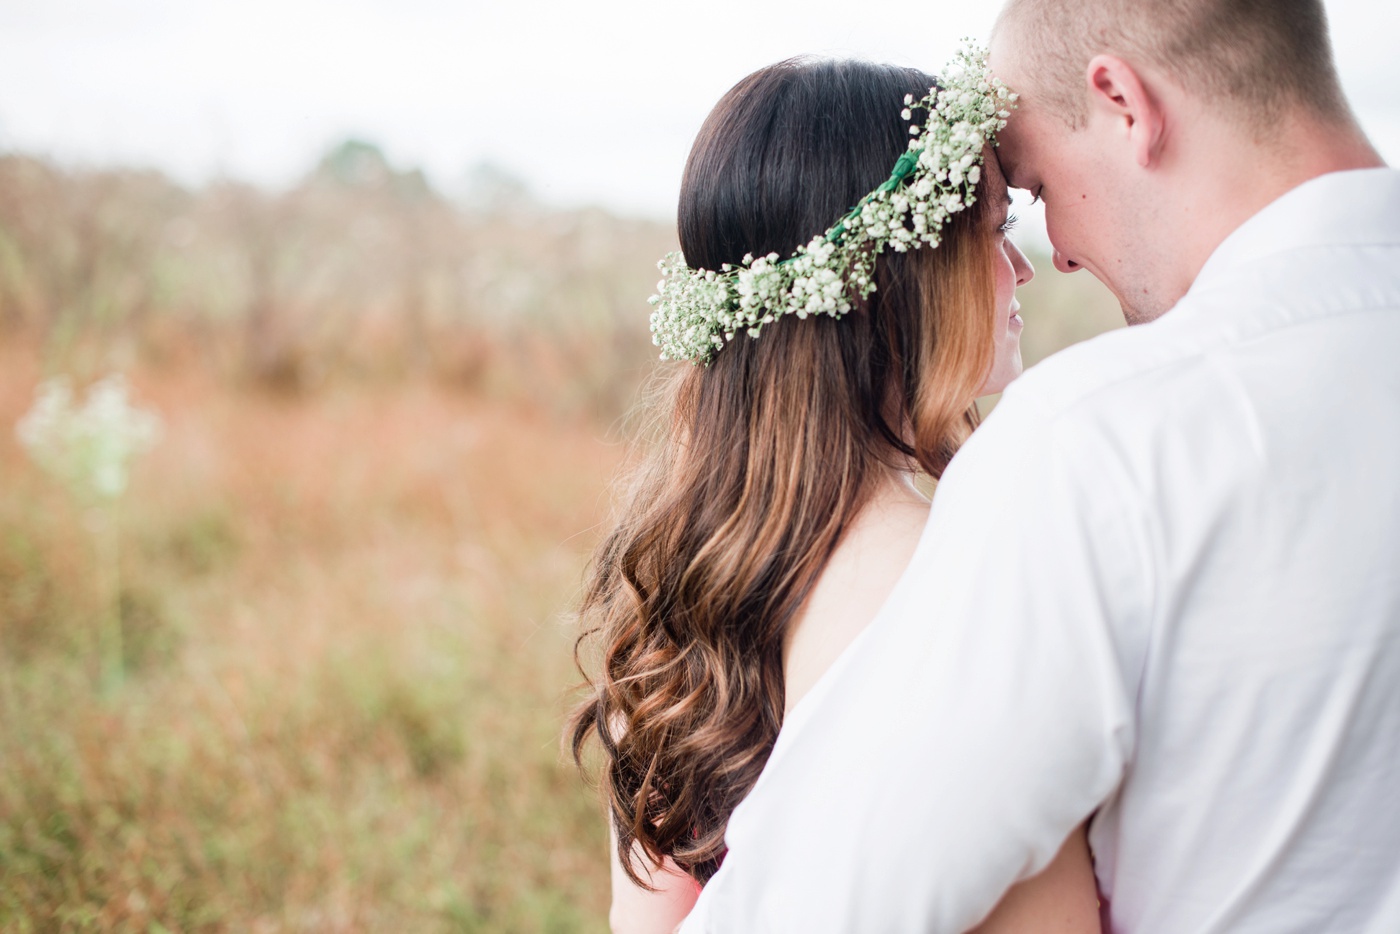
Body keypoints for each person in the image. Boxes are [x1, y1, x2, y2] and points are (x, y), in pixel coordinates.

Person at [679, 1, 1400, 932]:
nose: (1050, 254)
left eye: (1037, 187)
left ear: (1122, 102)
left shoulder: (1104, 445)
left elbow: (821, 903)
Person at [567, 55, 1104, 933]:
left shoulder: (692, 579)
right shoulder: (955, 573)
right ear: (893, 279)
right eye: (993, 232)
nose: (1023, 270)